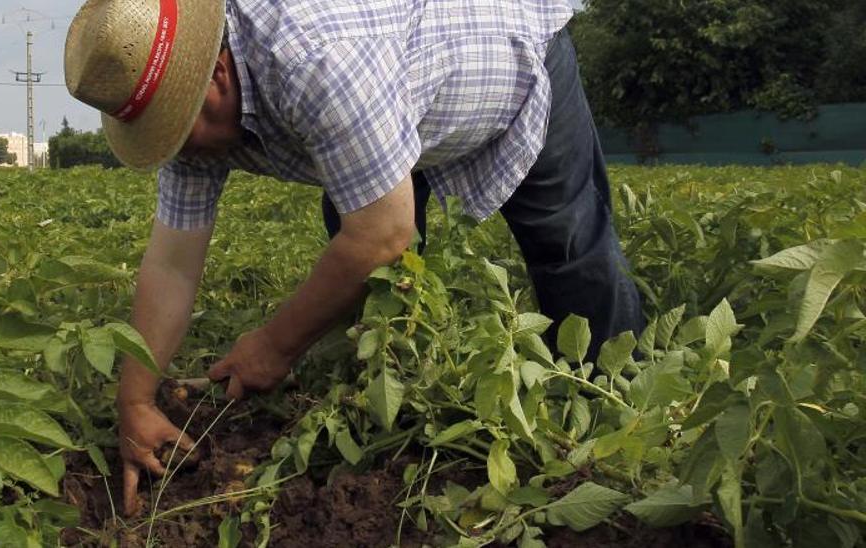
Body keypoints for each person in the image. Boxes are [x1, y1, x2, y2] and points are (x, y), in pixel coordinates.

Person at [63, 0, 645, 515]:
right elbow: (171, 263)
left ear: (214, 72)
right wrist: (135, 399)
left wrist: (274, 346)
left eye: (178, 128)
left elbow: (380, 236)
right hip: (397, 88)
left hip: (509, 47)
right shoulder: (193, 118)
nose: (179, 148)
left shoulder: (316, 57)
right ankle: (402, 385)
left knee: (566, 241)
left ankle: (623, 414)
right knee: (364, 249)